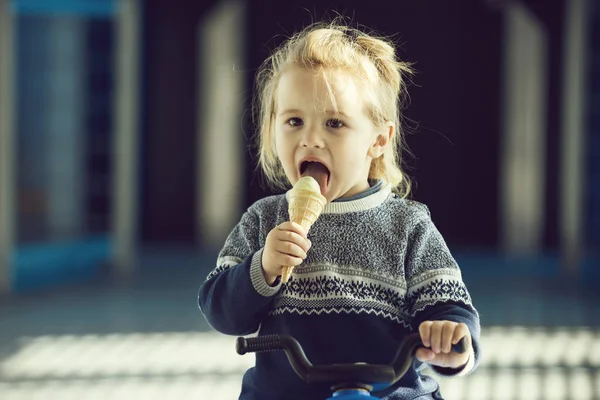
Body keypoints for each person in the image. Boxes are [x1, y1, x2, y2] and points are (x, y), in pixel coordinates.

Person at [198, 19, 481, 400]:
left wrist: (451, 339)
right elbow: (220, 310)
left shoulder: (408, 226)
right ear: (272, 129)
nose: (310, 139)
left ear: (379, 139)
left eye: (335, 123)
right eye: (294, 121)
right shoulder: (264, 219)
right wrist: (262, 267)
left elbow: (452, 309)